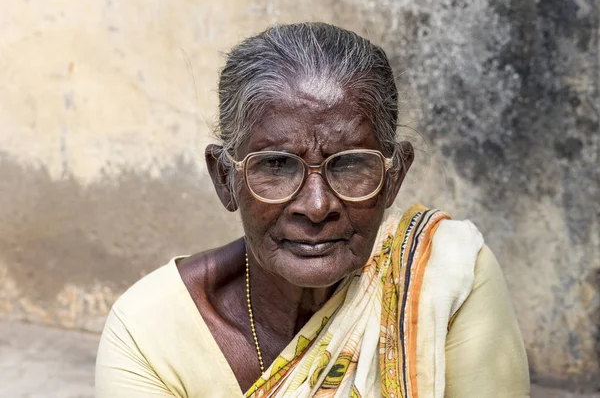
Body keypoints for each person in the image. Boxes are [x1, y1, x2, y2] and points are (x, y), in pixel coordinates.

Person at [95, 22, 530, 397]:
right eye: (277, 166)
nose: (317, 206)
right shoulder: (151, 330)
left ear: (394, 179)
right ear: (225, 179)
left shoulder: (446, 277)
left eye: (352, 164)